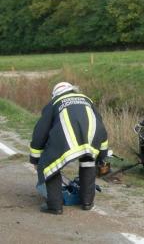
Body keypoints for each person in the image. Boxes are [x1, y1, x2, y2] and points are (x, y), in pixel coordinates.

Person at [29, 82, 109, 215]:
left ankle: (55, 206)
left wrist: (36, 159)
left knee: (50, 165)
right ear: (73, 90)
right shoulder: (86, 99)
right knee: (88, 161)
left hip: (66, 139)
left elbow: (40, 133)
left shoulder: (54, 103)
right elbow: (100, 123)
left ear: (54, 94)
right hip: (92, 137)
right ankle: (87, 202)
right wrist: (102, 155)